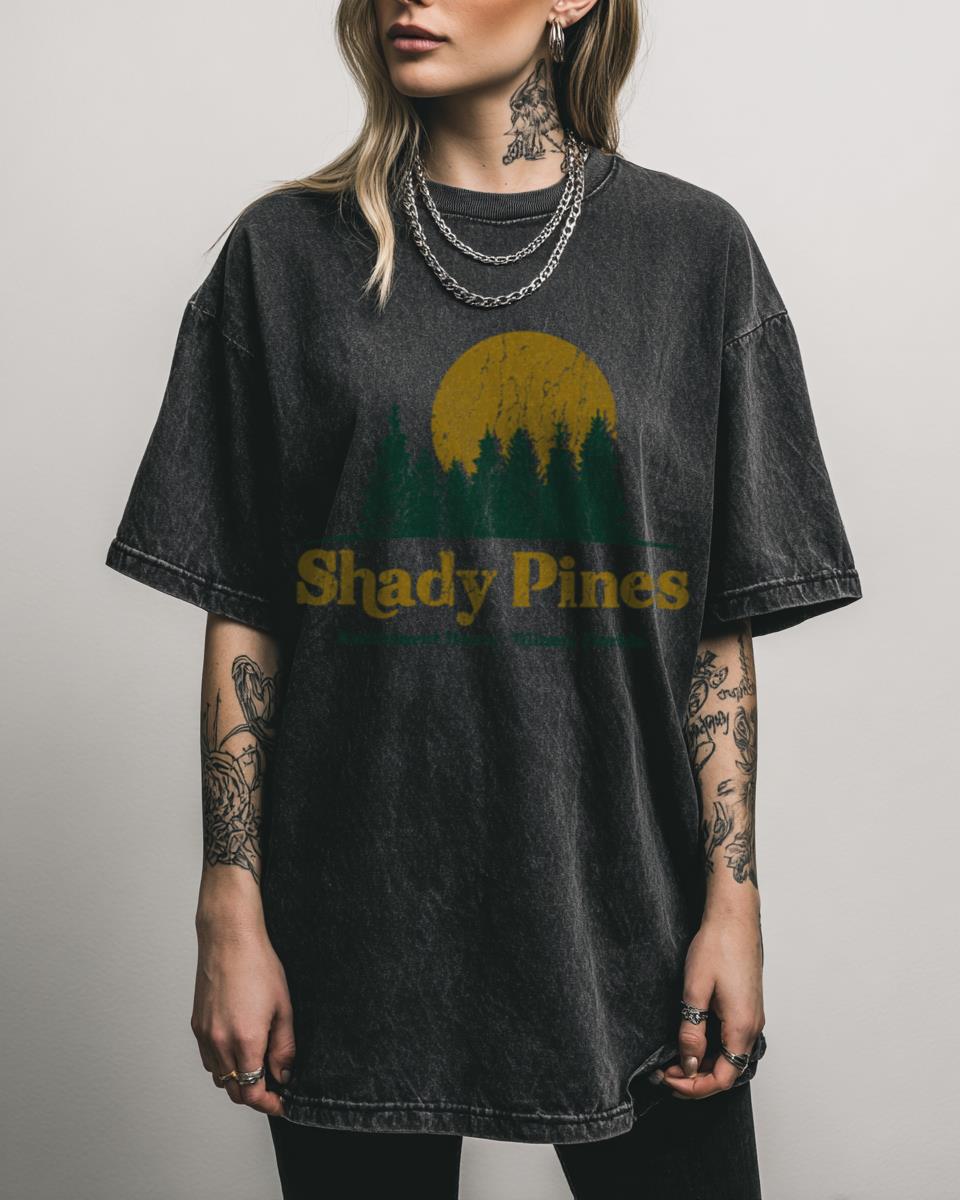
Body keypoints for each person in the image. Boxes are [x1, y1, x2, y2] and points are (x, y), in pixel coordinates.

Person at [104, 1, 863, 1196]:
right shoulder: (285, 255)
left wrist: (734, 902)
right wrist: (229, 905)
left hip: (632, 917)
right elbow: (245, 608)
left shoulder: (694, 254)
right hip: (353, 924)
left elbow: (715, 632)